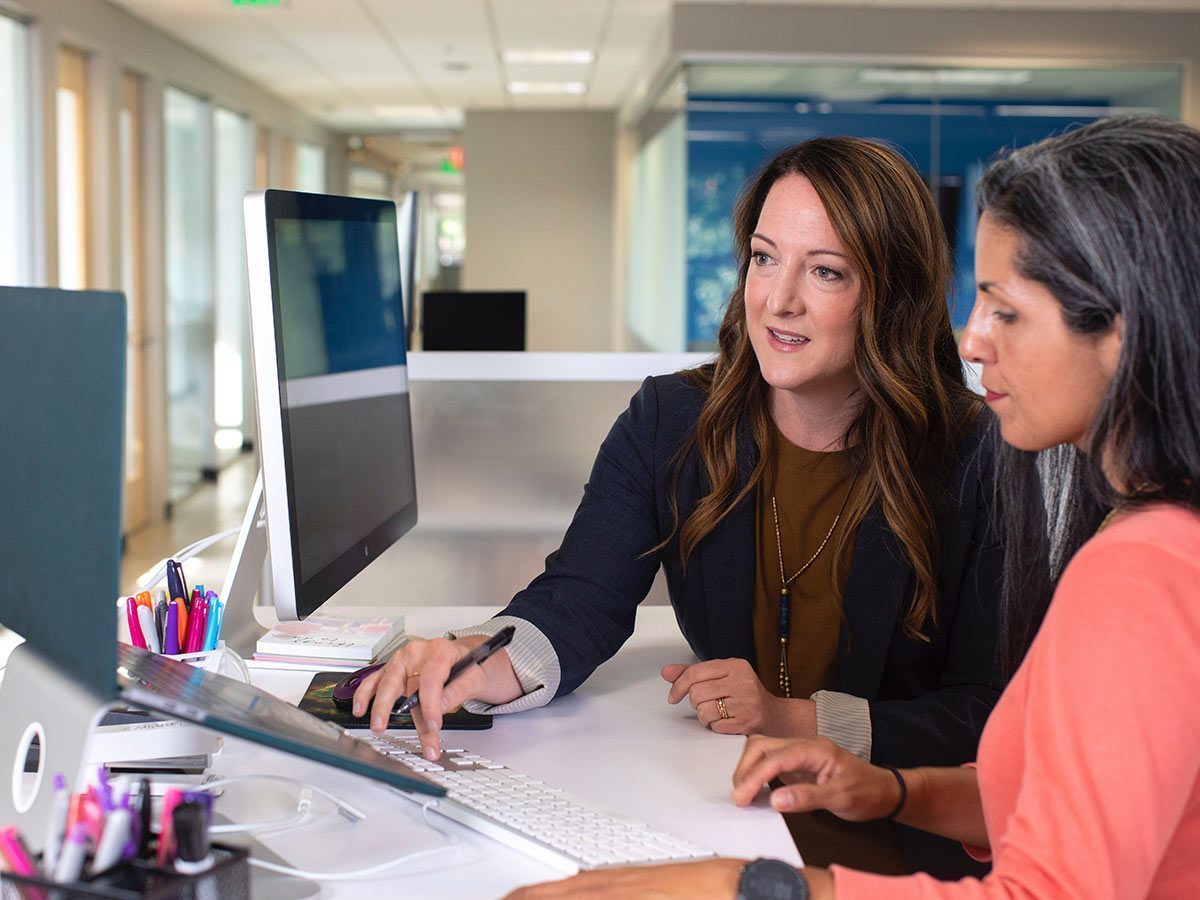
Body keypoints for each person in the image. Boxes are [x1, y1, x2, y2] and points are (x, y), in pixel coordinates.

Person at [504, 113, 1200, 899]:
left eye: (1006, 308)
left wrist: (744, 886)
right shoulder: (1146, 537)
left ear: (1124, 330)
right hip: (801, 803)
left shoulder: (1136, 564)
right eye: (763, 260)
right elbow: (1045, 794)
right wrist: (889, 788)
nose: (972, 340)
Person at [357, 137, 1005, 875]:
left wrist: (795, 718)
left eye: (824, 271)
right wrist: (477, 662)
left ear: (892, 296)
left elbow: (987, 714)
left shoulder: (975, 457)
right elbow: (579, 597)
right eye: (765, 258)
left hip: (904, 847)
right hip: (725, 815)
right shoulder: (672, 421)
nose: (777, 300)